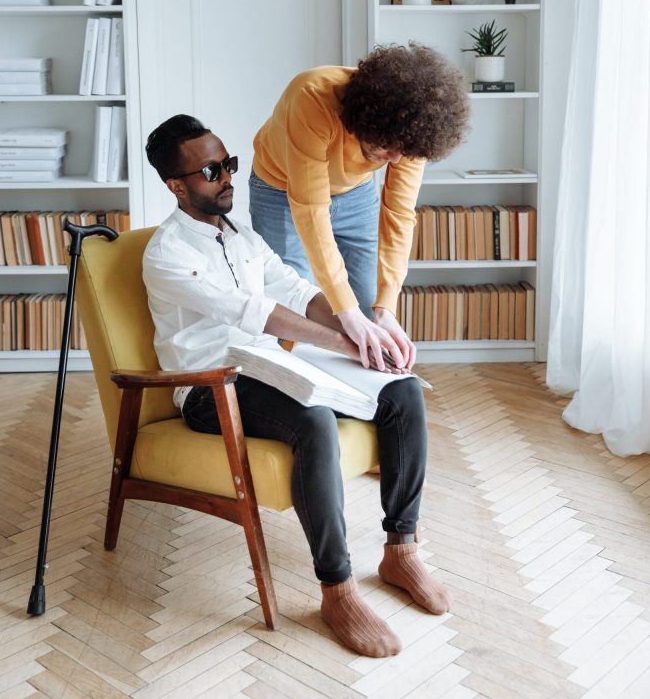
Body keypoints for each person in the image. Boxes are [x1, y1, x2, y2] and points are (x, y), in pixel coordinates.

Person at [143, 114, 452, 658]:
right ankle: (338, 589)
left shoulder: (240, 235)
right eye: (212, 171)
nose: (228, 179)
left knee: (399, 387)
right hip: (210, 387)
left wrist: (365, 330)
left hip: (268, 369)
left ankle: (401, 549)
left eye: (229, 164)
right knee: (311, 419)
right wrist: (342, 343)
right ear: (176, 185)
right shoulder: (167, 253)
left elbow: (295, 289)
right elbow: (256, 313)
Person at [250, 44, 469, 372]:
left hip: (355, 193)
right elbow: (311, 209)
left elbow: (399, 214)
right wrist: (345, 312)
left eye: (403, 152)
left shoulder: (410, 130)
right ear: (364, 119)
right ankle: (288, 398)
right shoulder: (312, 97)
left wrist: (386, 308)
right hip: (281, 190)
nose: (394, 160)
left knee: (368, 308)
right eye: (384, 147)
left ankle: (363, 402)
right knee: (293, 302)